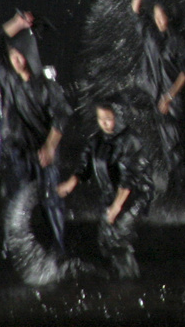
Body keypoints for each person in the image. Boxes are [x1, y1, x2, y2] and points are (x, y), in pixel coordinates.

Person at [0, 10, 74, 252]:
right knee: (17, 202)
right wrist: (17, 22)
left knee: (51, 202)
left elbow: (62, 115)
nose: (15, 59)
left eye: (19, 54)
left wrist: (50, 146)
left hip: (44, 154)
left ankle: (58, 248)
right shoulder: (9, 81)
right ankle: (14, 247)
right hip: (18, 153)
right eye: (12, 55)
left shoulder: (47, 87)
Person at [58, 97, 153, 278]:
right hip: (111, 194)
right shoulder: (97, 141)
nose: (105, 123)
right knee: (105, 240)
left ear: (118, 117)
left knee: (118, 237)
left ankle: (130, 280)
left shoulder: (130, 140)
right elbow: (84, 166)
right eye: (101, 119)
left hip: (134, 196)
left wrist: (117, 206)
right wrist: (70, 184)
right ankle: (119, 275)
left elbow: (130, 177)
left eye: (109, 118)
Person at [130, 0, 185, 194]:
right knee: (169, 146)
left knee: (177, 145)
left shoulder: (179, 40)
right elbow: (135, 9)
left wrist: (170, 96)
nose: (159, 20)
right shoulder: (151, 36)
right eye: (156, 16)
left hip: (176, 100)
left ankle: (183, 190)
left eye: (163, 16)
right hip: (158, 97)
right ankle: (179, 188)